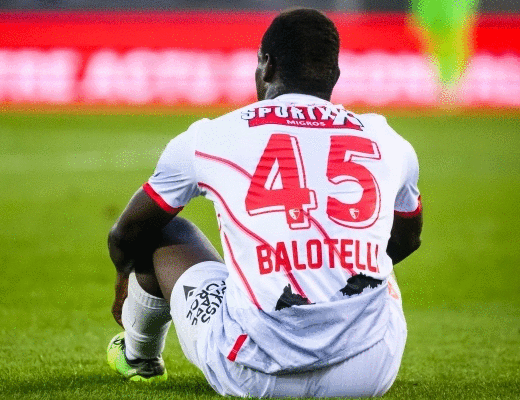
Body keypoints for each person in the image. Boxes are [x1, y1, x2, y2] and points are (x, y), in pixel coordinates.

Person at [106, 8, 423, 398]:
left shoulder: (211, 137)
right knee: (375, 265)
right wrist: (337, 269)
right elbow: (407, 241)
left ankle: (139, 356)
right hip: (366, 375)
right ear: (335, 75)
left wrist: (123, 281)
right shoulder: (387, 140)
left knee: (162, 228)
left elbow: (127, 233)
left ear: (267, 65)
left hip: (250, 374)